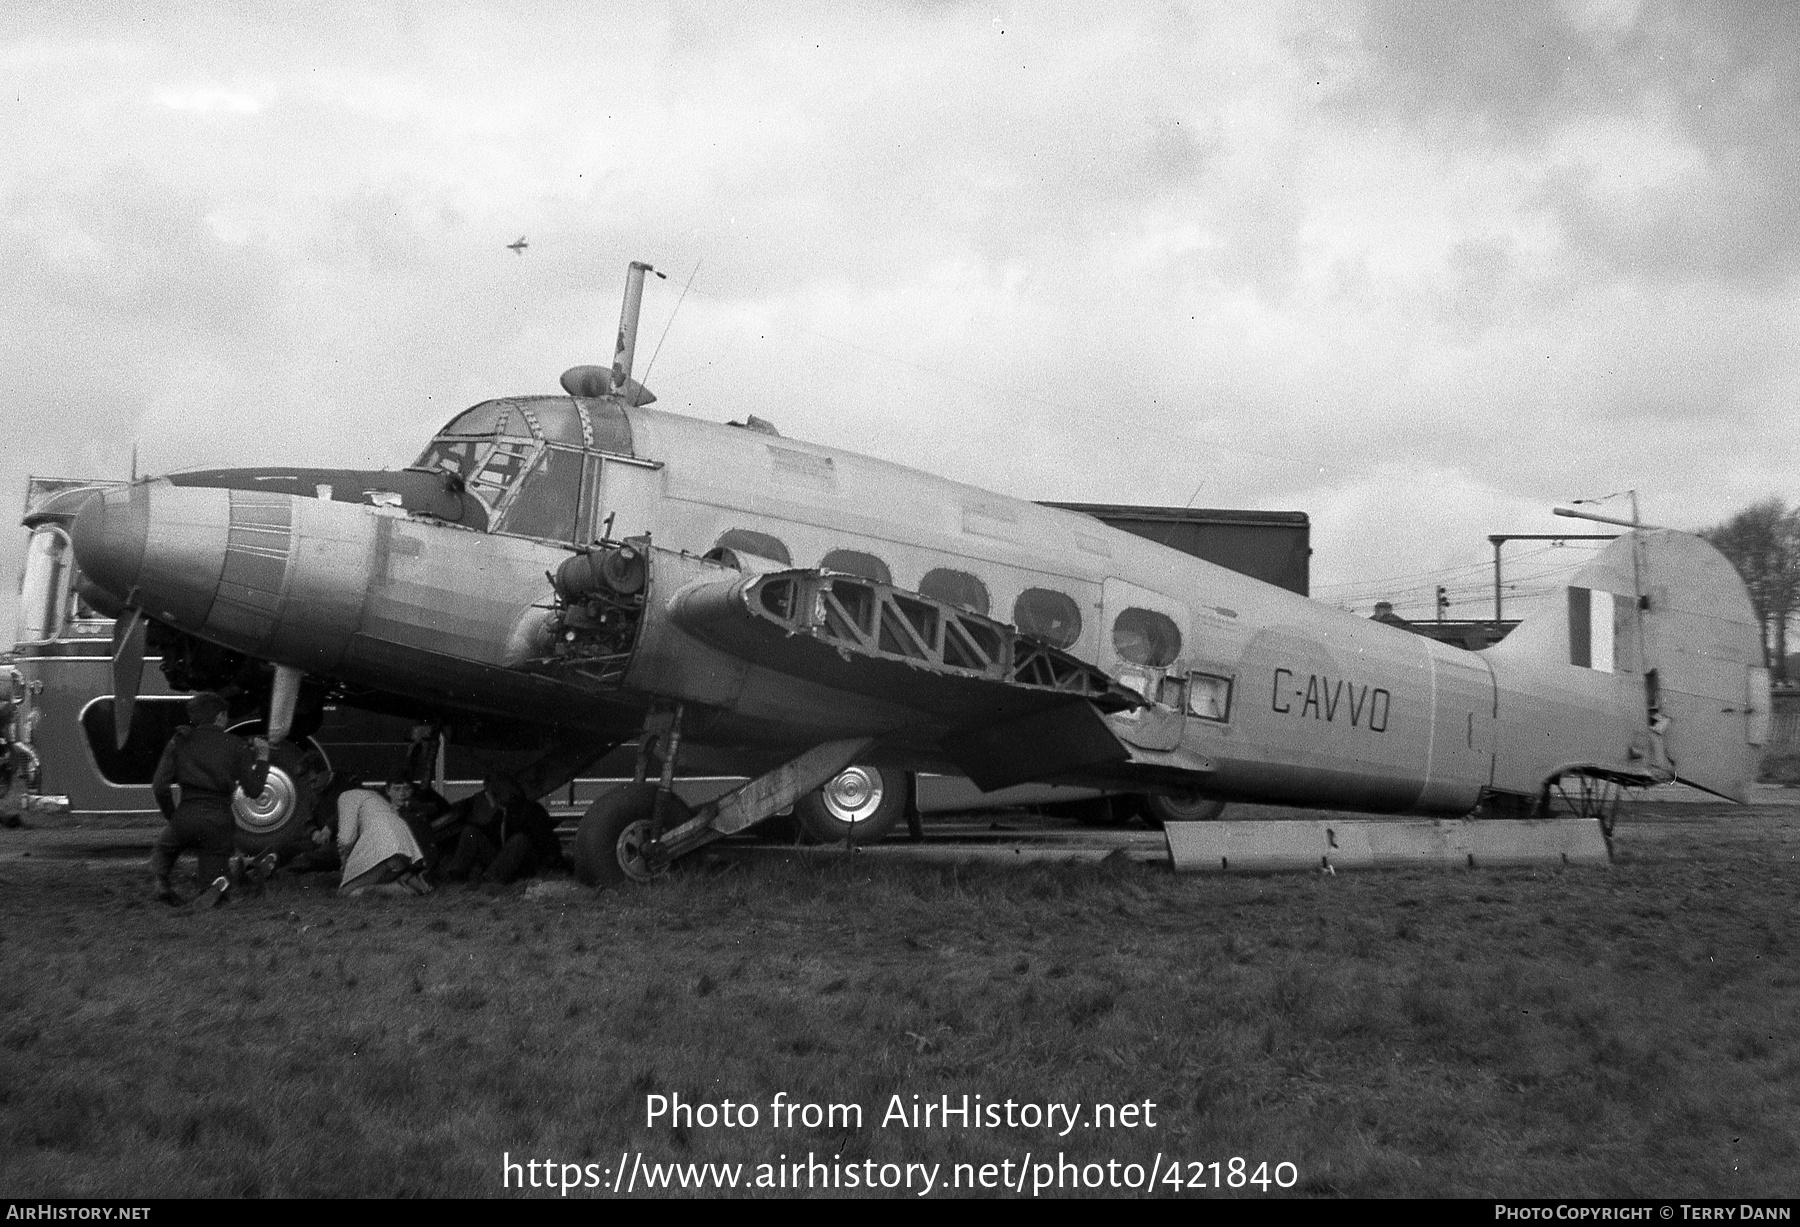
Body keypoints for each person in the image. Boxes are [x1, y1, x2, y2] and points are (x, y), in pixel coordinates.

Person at [149, 691, 271, 907]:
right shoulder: (235, 744)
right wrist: (262, 758)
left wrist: (173, 816)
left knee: (163, 850)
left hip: (186, 812)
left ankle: (162, 883)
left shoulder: (179, 740)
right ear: (220, 716)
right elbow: (253, 790)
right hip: (218, 818)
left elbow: (159, 786)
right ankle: (212, 889)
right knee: (215, 867)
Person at [439, 773, 565, 884]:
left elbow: (547, 841)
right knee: (471, 833)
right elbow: (491, 837)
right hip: (505, 864)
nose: (486, 796)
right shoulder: (500, 814)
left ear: (497, 793)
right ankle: (456, 876)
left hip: (527, 865)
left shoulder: (530, 810)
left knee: (519, 840)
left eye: (487, 792)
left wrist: (553, 865)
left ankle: (490, 881)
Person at [321, 774, 431, 897]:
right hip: (405, 856)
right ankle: (406, 878)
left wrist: (345, 868)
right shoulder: (377, 800)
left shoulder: (346, 797)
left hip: (387, 855)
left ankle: (404, 889)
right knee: (371, 879)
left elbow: (345, 840)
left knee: (346, 892)